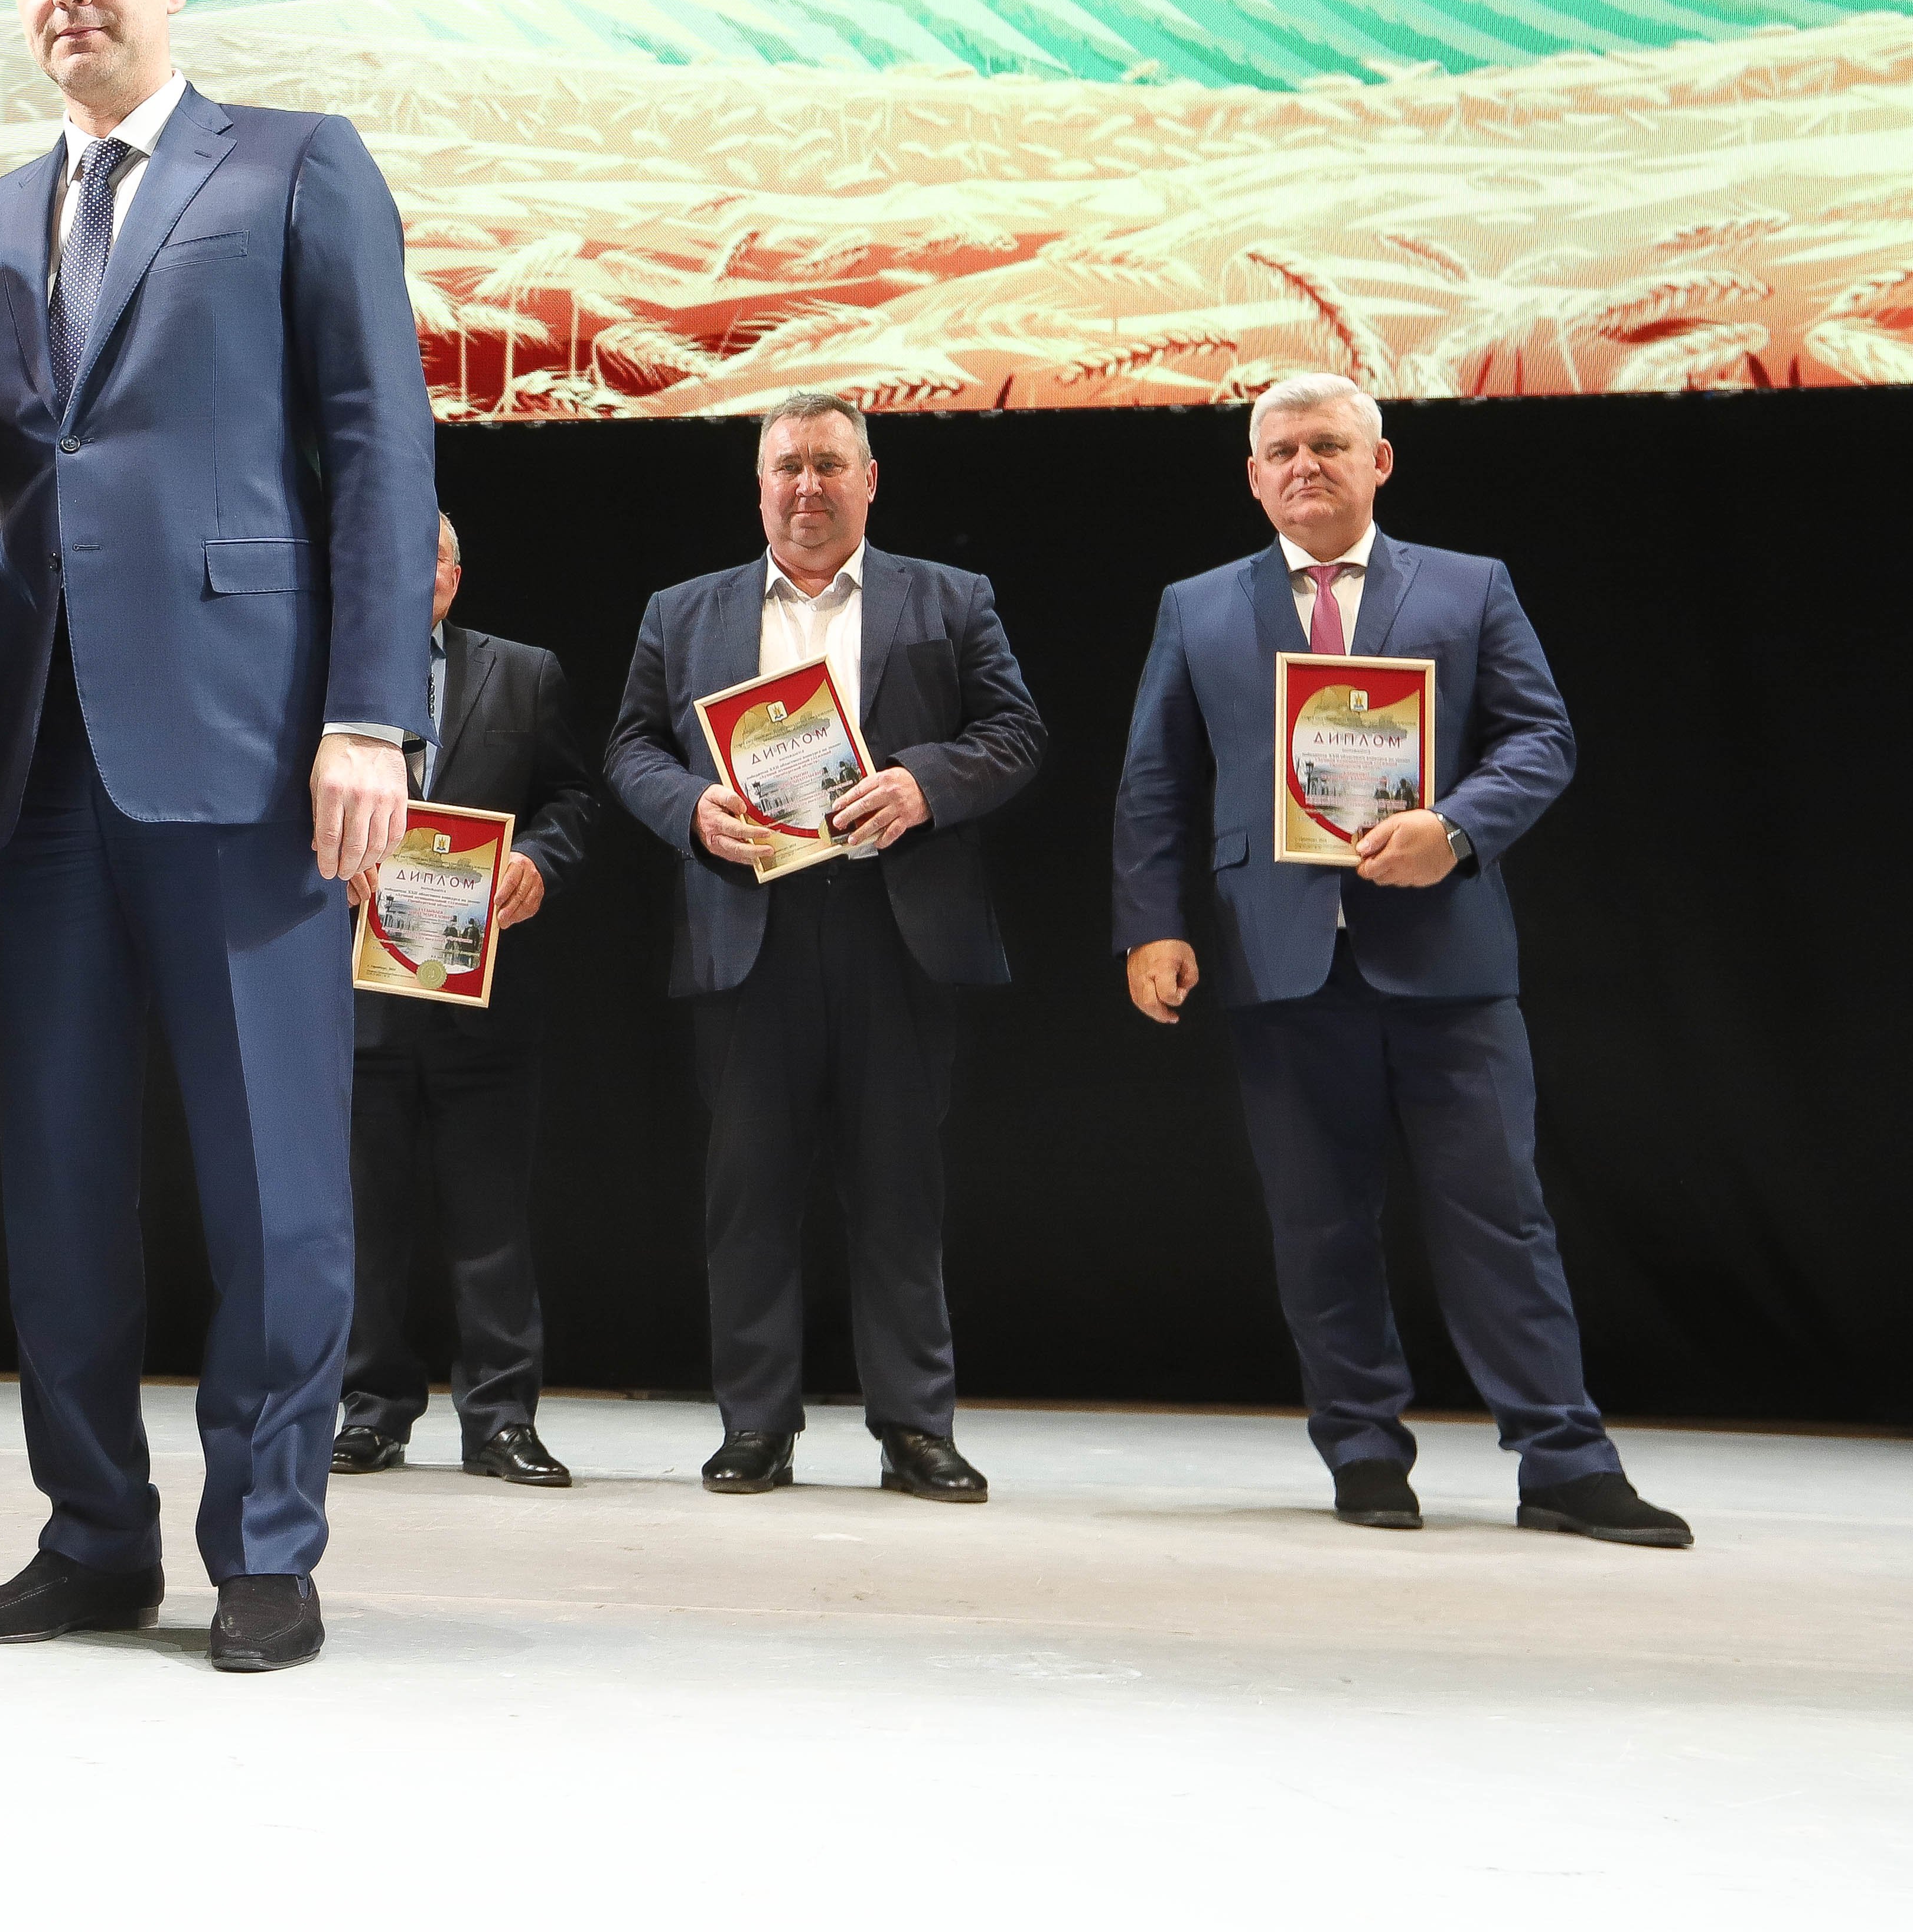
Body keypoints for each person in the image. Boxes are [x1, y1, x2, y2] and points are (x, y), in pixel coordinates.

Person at [0, 0, 436, 1674]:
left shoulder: (295, 166)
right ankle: (92, 1537)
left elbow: (380, 447)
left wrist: (372, 715)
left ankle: (267, 1544)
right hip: (32, 768)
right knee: (59, 1183)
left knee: (277, 1180)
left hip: (252, 747)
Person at [1112, 373, 1689, 1546]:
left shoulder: (1471, 587)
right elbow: (1157, 782)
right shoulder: (1198, 605)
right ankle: (1365, 1452)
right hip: (1279, 962)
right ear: (1253, 476)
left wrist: (1457, 829)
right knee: (1318, 1224)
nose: (1305, 465)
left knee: (1501, 1219)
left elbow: (1542, 736)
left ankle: (1565, 1462)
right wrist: (1151, 924)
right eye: (1282, 450)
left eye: (1330, 444)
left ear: (1380, 461)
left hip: (1448, 963)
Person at [606, 393, 1043, 1502]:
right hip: (747, 928)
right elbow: (631, 749)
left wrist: (925, 784)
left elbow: (1016, 734)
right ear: (759, 486)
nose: (808, 486)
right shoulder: (682, 611)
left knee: (900, 1190)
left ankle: (915, 1429)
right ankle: (756, 1426)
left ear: (870, 479)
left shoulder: (952, 599)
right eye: (788, 466)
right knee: (748, 1194)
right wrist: (690, 808)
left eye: (830, 465)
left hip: (898, 929)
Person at [332, 513, 602, 1489]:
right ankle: (370, 1412)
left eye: (435, 558)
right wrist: (332, 859)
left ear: (457, 573)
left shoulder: (525, 673)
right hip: (357, 997)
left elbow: (574, 800)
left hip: (484, 997)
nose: (420, 574)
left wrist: (539, 862)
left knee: (493, 1225)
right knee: (365, 1226)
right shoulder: (327, 675)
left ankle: (500, 1421)